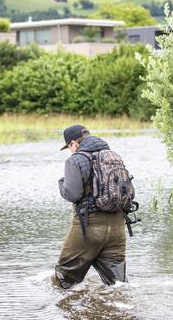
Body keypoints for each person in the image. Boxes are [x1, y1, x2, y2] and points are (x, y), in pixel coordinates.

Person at [54, 124, 127, 289]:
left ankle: (59, 312)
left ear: (73, 143)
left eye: (69, 147)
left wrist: (61, 184)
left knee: (63, 279)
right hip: (117, 227)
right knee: (117, 285)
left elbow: (73, 194)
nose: (70, 151)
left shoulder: (75, 160)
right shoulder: (113, 156)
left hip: (89, 227)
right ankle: (120, 310)